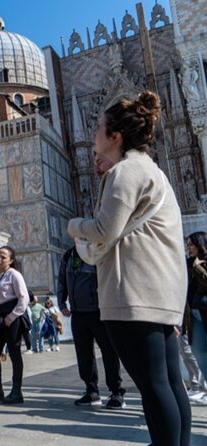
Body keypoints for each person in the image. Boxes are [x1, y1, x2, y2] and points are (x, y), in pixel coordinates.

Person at [67, 91, 190, 446]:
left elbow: (106, 228)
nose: (93, 137)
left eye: (99, 129)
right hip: (159, 293)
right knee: (167, 382)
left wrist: (75, 226)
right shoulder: (150, 169)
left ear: (115, 136)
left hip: (134, 294)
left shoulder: (126, 171)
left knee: (154, 387)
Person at [57, 245, 126, 408]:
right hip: (77, 313)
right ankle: (91, 391)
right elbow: (61, 281)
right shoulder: (68, 256)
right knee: (84, 353)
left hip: (98, 311)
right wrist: (61, 302)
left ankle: (116, 392)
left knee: (109, 351)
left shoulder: (97, 252)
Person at [0, 246, 29, 405]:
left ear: (10, 260)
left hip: (11, 318)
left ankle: (17, 391)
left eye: (3, 257)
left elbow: (24, 298)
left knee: (15, 353)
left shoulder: (14, 275)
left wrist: (13, 316)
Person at [185, 232, 207, 392]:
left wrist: (198, 267)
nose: (189, 248)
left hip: (204, 311)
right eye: (187, 245)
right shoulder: (187, 263)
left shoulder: (200, 264)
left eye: (191, 244)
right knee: (198, 352)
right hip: (194, 314)